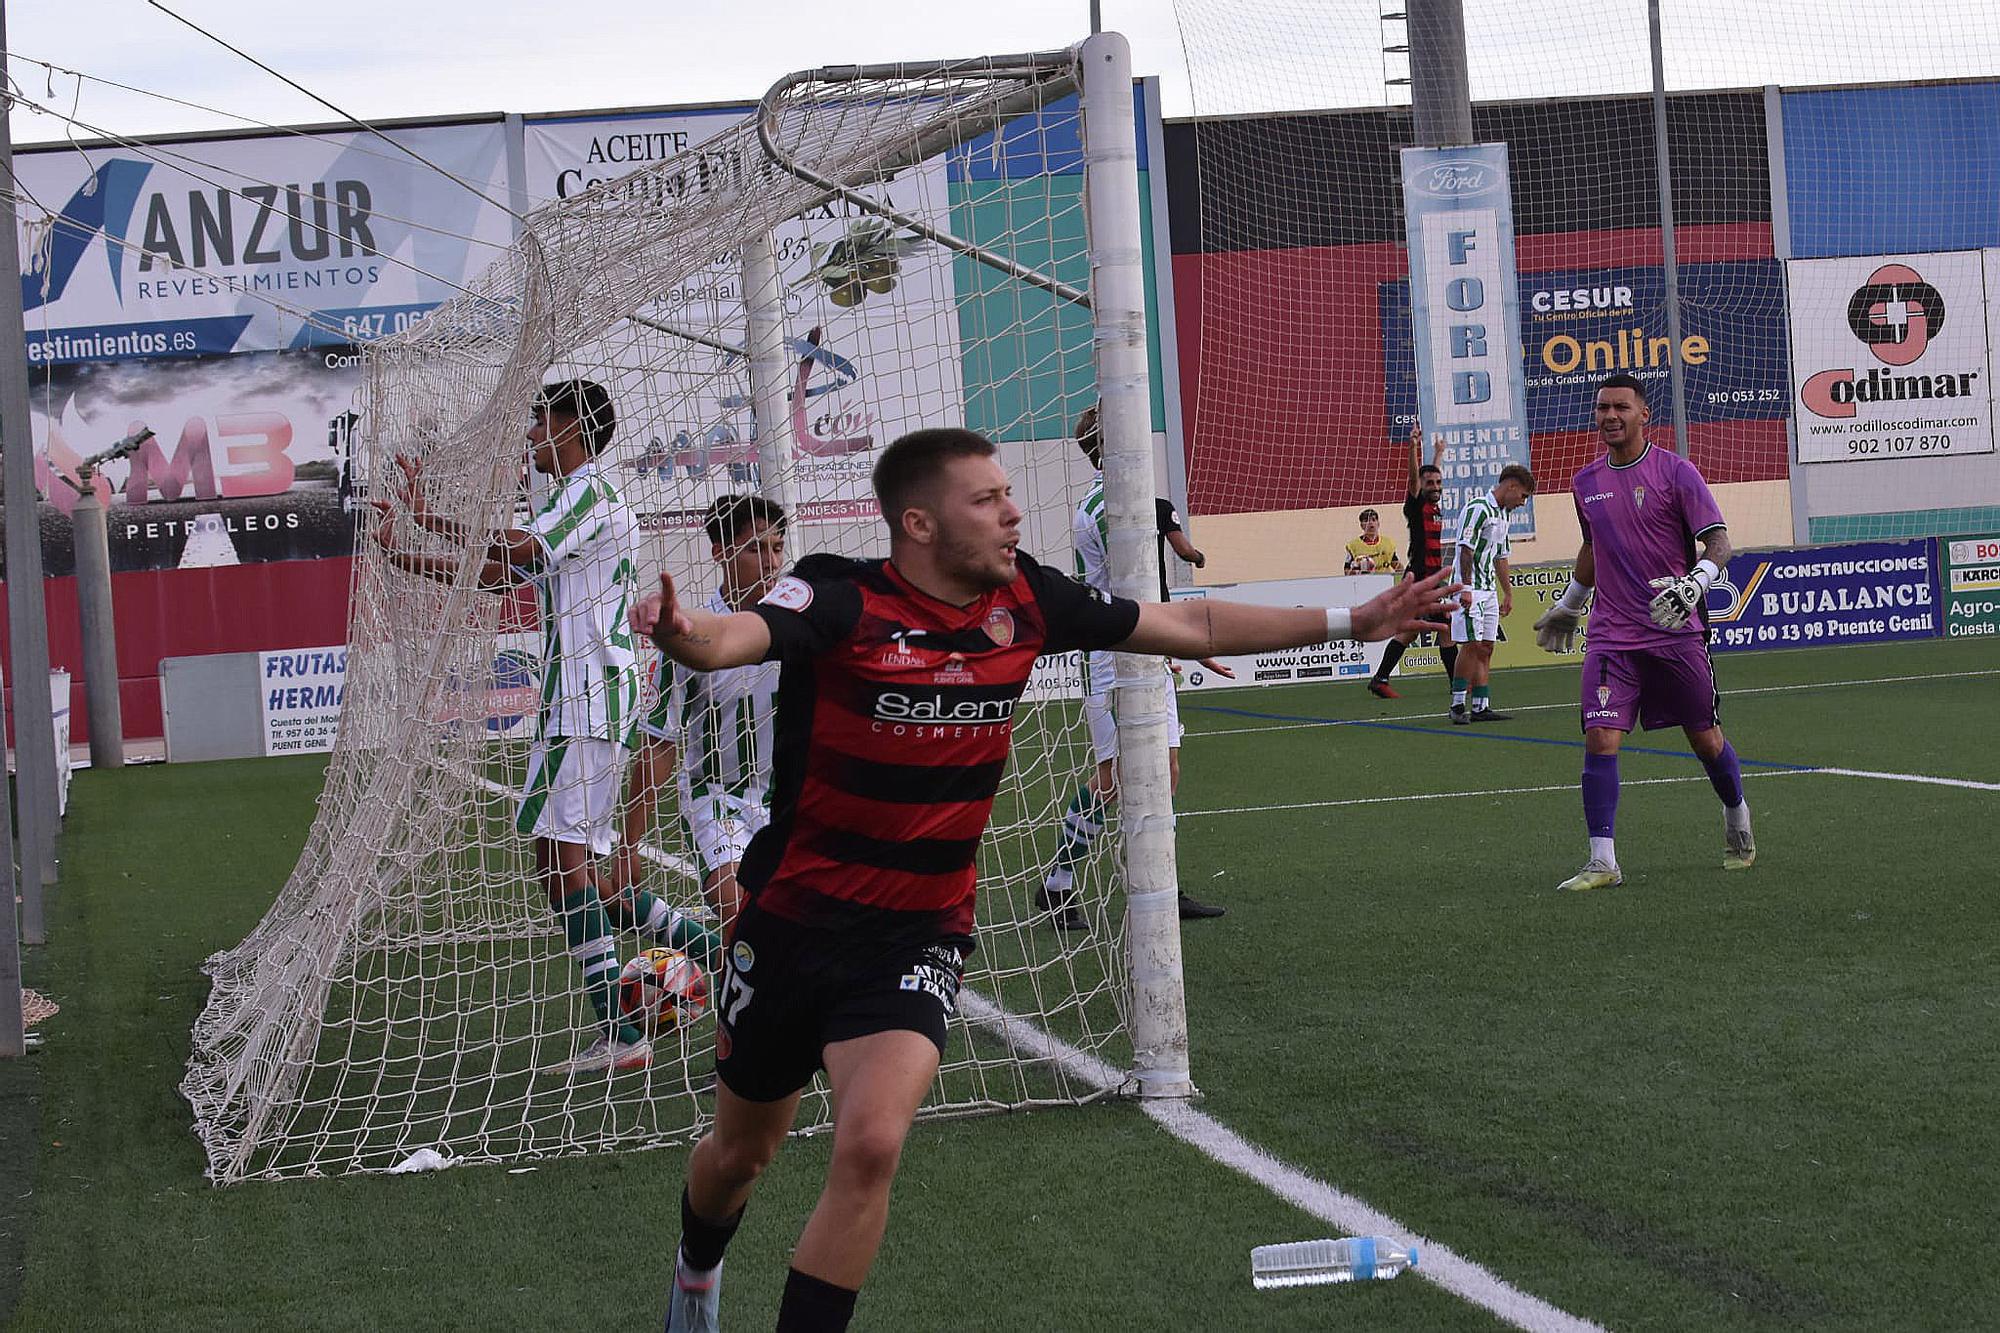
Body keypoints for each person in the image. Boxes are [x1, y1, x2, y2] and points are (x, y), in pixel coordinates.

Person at [642, 426, 1461, 1332]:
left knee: (871, 1143)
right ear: (918, 522)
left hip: (917, 934)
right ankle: (694, 1274)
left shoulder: (1027, 597)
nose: (1012, 510)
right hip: (790, 924)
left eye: (1007, 494)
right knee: (739, 1154)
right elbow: (734, 637)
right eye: (986, 499)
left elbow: (1188, 622)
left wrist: (1357, 618)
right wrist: (685, 635)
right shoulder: (841, 595)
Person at [371, 378, 656, 1073]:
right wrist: (402, 548)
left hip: (591, 698)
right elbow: (500, 575)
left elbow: (519, 550)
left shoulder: (588, 490)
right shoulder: (568, 502)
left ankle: (628, 1031)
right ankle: (691, 975)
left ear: (570, 427)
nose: (530, 437)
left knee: (570, 865)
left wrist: (431, 518)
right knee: (557, 869)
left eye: (539, 423)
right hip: (573, 701)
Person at [1533, 372, 1755, 891]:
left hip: (1675, 632)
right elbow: (1593, 550)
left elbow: (1719, 544)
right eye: (1602, 407)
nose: (1610, 416)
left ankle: (1737, 817)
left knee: (1705, 740)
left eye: (1621, 407)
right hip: (1612, 635)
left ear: (1643, 414)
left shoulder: (1677, 473)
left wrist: (1696, 582)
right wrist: (1570, 604)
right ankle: (1602, 862)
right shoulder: (1585, 483)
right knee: (1601, 737)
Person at [1039, 405, 1232, 930]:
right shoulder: (1112, 507)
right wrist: (1187, 642)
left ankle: (1161, 884)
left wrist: (1177, 646)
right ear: (1116, 443)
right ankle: (1058, 882)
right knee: (1116, 778)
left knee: (1165, 770)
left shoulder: (1130, 502)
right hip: (1111, 656)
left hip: (1148, 648)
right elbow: (1131, 596)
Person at [610, 494, 789, 962]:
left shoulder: (798, 624)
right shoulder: (686, 636)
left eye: (777, 547)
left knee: (796, 950)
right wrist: (629, 846)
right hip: (719, 801)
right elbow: (659, 744)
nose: (770, 561)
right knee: (743, 928)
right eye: (756, 548)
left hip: (792, 802)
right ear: (721, 552)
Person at [1366, 422, 1458, 701]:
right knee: (1443, 628)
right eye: (1430, 483)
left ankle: (1380, 678)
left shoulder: (1434, 505)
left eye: (1439, 483)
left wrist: (1438, 454)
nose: (1435, 486)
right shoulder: (1416, 505)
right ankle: (1457, 686)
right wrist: (1413, 447)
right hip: (1419, 577)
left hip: (1429, 577)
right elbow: (1414, 480)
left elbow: (1429, 475)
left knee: (1412, 629)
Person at [1449, 463, 1535, 724]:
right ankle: (1456, 704)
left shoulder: (1504, 515)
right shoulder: (1478, 509)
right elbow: (1465, 549)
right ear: (1511, 486)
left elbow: (1501, 556)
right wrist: (1464, 588)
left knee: (1486, 647)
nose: (1522, 502)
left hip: (1488, 590)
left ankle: (1480, 706)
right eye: (1523, 496)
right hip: (1470, 588)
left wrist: (1507, 592)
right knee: (1471, 645)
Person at [1343, 508, 1402, 577]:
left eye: (1373, 520)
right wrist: (1355, 570)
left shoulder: (1388, 543)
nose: (1370, 523)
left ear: (1378, 523)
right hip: (1363, 582)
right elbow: (1346, 571)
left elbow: (1397, 566)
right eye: (1366, 520)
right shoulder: (1353, 546)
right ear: (1361, 525)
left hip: (1385, 581)